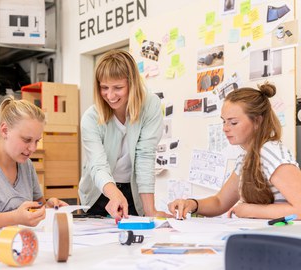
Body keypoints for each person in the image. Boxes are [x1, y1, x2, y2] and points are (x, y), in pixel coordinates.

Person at [168, 82, 301, 219]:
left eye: (233, 122)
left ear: (257, 121)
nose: (225, 128)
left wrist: (251, 210)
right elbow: (220, 202)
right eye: (224, 121)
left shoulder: (270, 153)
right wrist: (192, 204)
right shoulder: (246, 158)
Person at [78, 49, 171, 221]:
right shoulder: (91, 118)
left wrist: (151, 211)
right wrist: (114, 193)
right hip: (100, 191)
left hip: (134, 192)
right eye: (104, 88)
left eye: (118, 88)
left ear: (132, 84)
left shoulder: (150, 106)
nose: (110, 95)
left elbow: (145, 156)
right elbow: (98, 165)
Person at [0, 96, 68, 230]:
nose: (33, 148)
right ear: (5, 130)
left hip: (21, 242)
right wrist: (14, 217)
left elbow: (37, 205)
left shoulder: (26, 165)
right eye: (27, 140)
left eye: (37, 141)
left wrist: (47, 208)